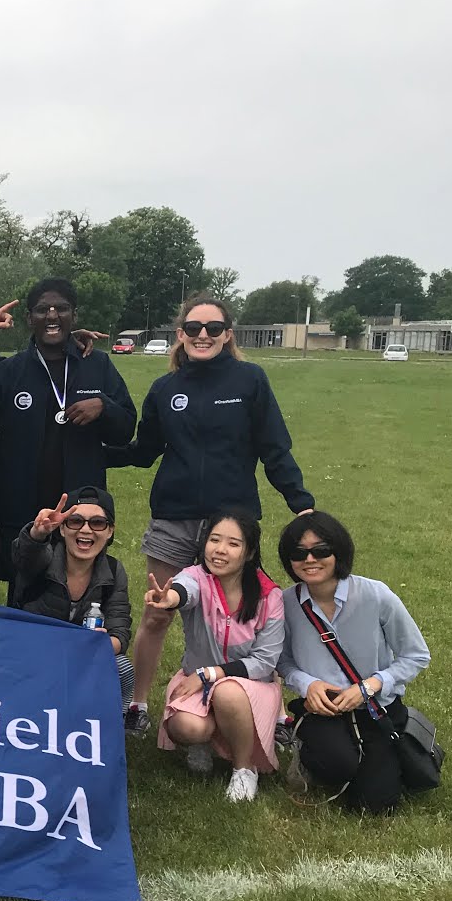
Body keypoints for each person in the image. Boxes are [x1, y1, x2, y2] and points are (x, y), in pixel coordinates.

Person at [111, 294, 314, 735]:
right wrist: (91, 450)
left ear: (228, 335)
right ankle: (136, 705)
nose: (203, 335)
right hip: (173, 516)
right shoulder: (165, 389)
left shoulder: (250, 380)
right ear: (180, 334)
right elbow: (144, 451)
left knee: (246, 617)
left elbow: (274, 447)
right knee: (157, 612)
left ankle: (272, 711)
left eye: (213, 328)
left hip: (231, 522)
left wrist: (301, 502)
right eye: (193, 328)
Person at [0, 279, 136, 598]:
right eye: (42, 310)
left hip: (80, 510)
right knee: (22, 598)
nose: (51, 315)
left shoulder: (97, 365)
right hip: (21, 509)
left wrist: (104, 407)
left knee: (80, 594)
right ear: (29, 318)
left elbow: (125, 429)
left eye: (61, 308)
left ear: (74, 316)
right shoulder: (10, 371)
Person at [276, 512, 431, 813]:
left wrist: (372, 685)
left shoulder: (376, 595)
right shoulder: (285, 603)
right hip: (323, 711)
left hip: (375, 709)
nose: (310, 559)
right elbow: (282, 661)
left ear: (339, 552)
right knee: (335, 765)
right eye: (299, 553)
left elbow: (416, 655)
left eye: (321, 550)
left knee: (374, 805)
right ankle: (311, 754)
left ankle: (382, 755)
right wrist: (308, 685)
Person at [143, 511, 285, 802]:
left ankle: (244, 769)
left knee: (228, 692)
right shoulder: (196, 577)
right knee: (186, 727)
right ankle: (204, 742)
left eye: (233, 544)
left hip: (249, 687)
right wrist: (169, 599)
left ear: (249, 553)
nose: (220, 550)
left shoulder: (269, 596)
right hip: (195, 681)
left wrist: (210, 674)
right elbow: (185, 590)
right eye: (214, 540)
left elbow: (264, 663)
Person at [10, 487, 135, 709]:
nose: (85, 530)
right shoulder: (43, 559)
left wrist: (101, 643)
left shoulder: (114, 571)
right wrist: (37, 533)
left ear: (110, 531)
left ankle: (116, 723)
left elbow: (120, 631)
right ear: (62, 528)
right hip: (33, 652)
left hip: (82, 657)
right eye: (76, 521)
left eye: (97, 523)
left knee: (122, 667)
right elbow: (25, 554)